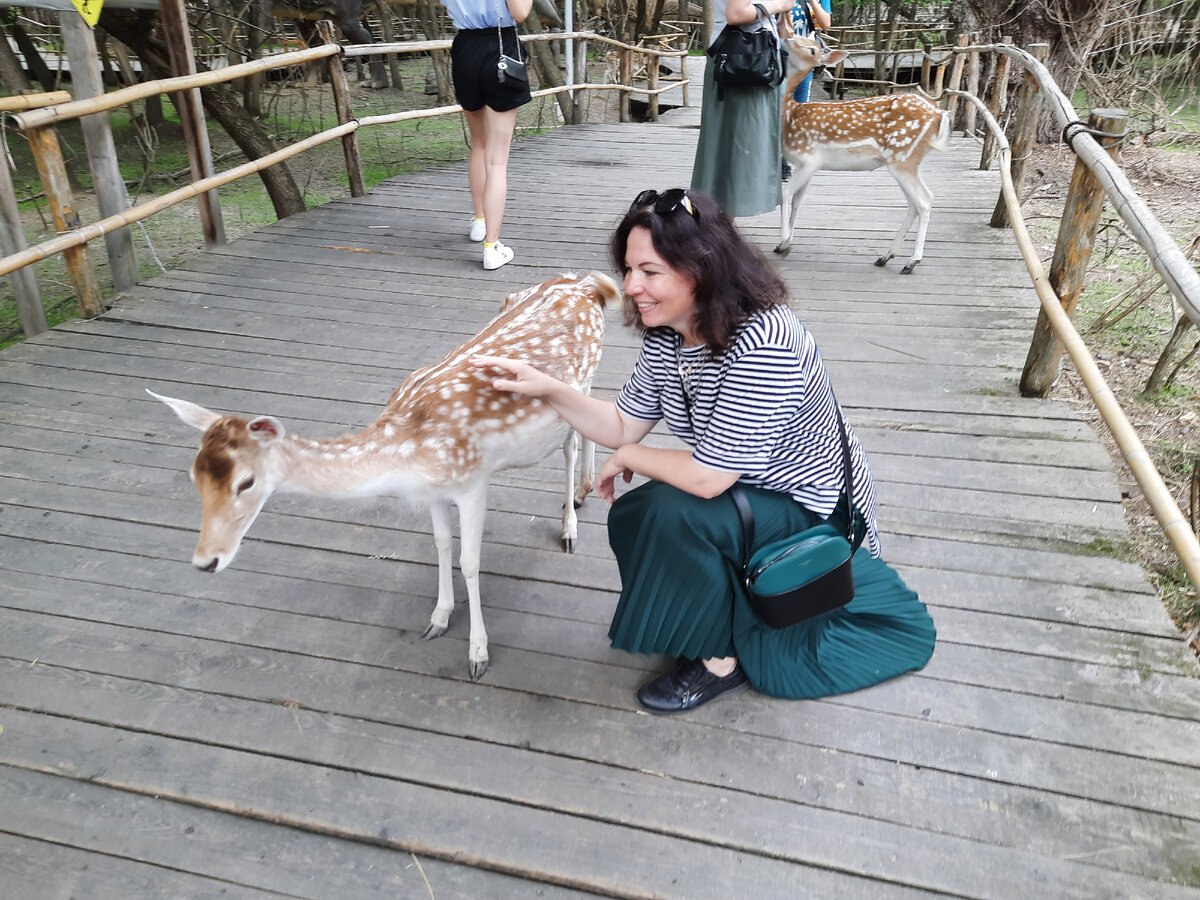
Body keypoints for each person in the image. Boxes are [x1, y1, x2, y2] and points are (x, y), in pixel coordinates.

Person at [474, 188, 937, 713]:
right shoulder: (670, 331)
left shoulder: (765, 340)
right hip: (745, 484)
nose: (631, 287)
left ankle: (721, 661)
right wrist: (551, 388)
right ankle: (708, 615)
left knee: (670, 514)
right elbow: (625, 423)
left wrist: (628, 459)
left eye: (650, 272)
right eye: (628, 270)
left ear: (701, 269)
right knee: (638, 512)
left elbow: (707, 477)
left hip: (807, 507)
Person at [441, 0, 534, 270]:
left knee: (479, 144)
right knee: (497, 160)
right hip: (500, 48)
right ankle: (492, 247)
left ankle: (479, 222)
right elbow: (520, 13)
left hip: (465, 50)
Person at [691, 0, 795, 219]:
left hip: (751, 57)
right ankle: (716, 231)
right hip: (744, 59)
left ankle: (718, 230)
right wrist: (779, 5)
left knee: (733, 146)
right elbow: (737, 14)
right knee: (736, 146)